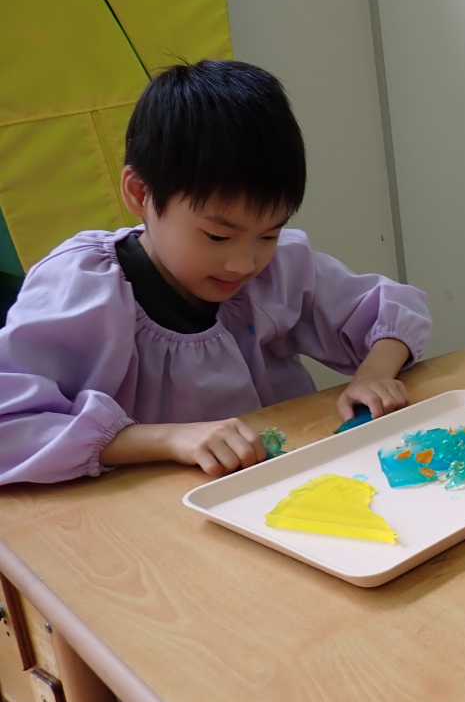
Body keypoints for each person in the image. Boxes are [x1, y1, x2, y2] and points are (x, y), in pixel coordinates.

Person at [0, 60, 432, 484]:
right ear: (140, 193)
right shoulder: (84, 286)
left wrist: (374, 376)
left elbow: (392, 309)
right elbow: (10, 427)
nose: (244, 264)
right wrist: (169, 439)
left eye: (269, 233)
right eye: (217, 236)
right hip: (144, 511)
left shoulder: (281, 268)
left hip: (276, 487)